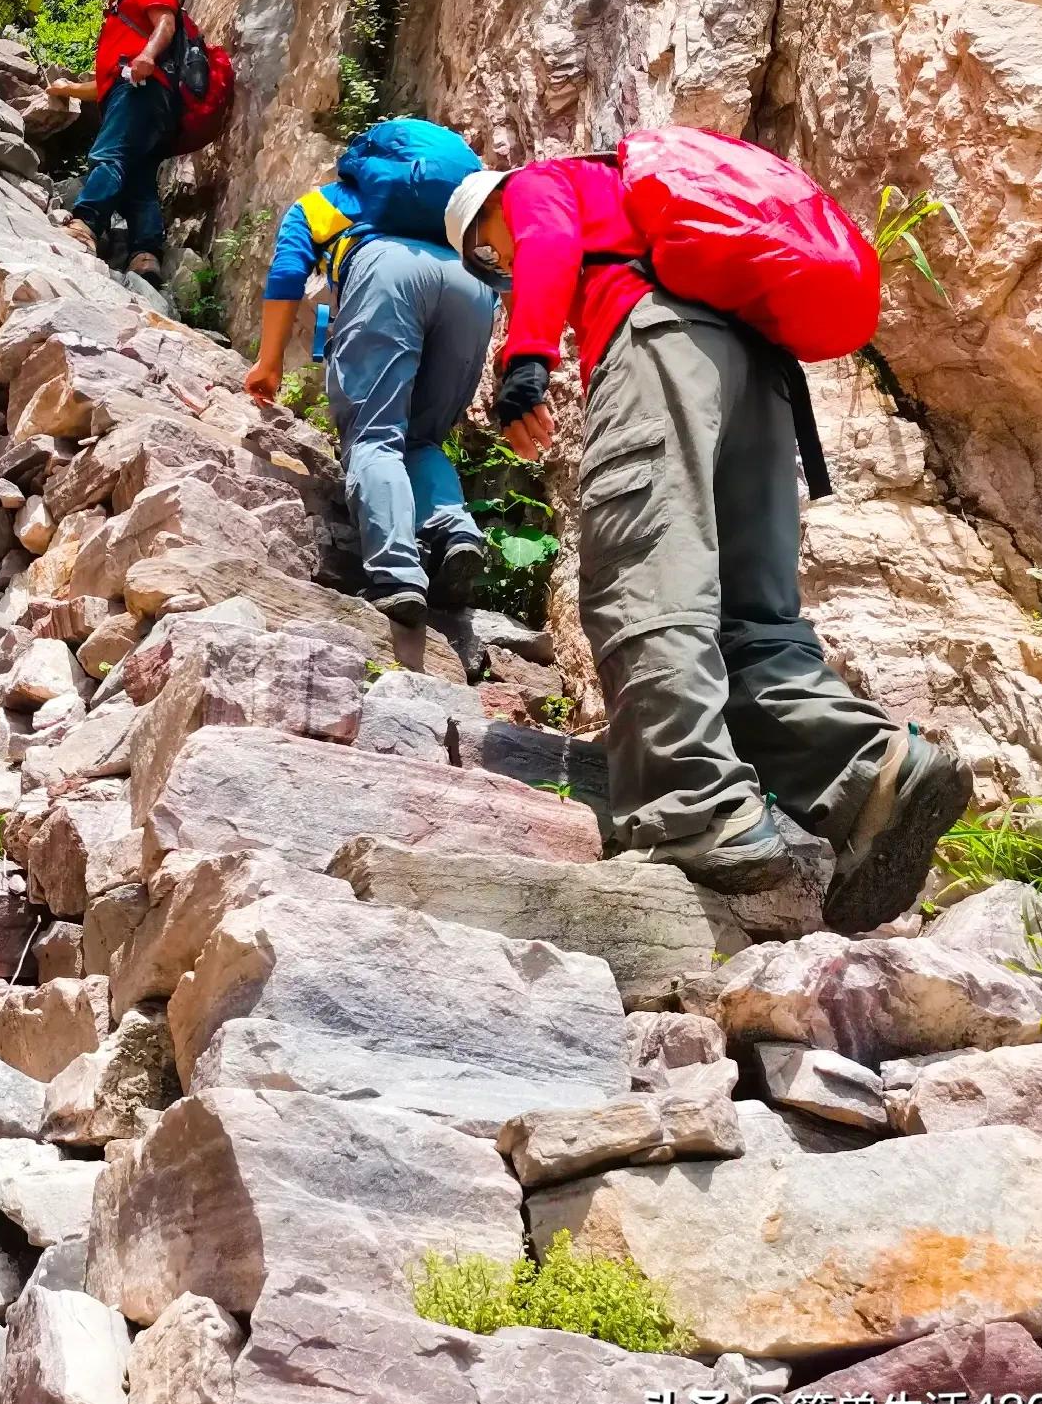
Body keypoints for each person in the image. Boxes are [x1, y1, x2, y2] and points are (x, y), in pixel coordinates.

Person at [443, 160, 971, 927]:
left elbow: (549, 233)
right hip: (759, 373)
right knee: (749, 619)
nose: (502, 262)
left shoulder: (539, 184)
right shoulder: (635, 201)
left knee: (644, 577)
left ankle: (691, 812)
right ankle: (872, 769)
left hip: (657, 345)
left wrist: (525, 356)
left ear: (491, 209)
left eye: (489, 253)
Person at [245, 122, 499, 630]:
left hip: (386, 275)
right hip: (471, 287)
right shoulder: (451, 213)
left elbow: (288, 271)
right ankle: (454, 532)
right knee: (423, 439)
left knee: (374, 436)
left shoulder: (330, 201)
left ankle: (397, 575)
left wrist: (269, 362)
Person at [44, 0, 180, 285]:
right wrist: (68, 89)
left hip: (141, 91)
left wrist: (147, 56)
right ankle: (145, 254)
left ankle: (86, 224)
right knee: (138, 176)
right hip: (140, 96)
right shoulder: (114, 20)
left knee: (108, 154)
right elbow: (104, 85)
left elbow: (165, 23)